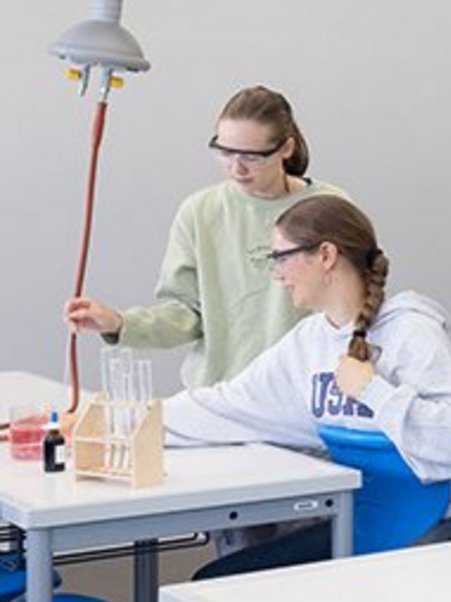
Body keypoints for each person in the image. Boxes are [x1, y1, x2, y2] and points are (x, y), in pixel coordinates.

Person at [164, 194, 451, 602]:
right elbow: (227, 405)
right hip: (372, 520)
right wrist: (120, 421)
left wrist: (373, 390)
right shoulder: (309, 342)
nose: (277, 275)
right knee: (217, 594)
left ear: (326, 255)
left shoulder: (410, 330)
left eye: (282, 258)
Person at [65, 86, 344, 388]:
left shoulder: (330, 208)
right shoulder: (200, 212)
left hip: (304, 393)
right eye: (225, 152)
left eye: (252, 156)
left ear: (286, 148)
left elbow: (355, 305)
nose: (236, 167)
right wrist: (119, 323)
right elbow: (187, 314)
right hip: (218, 395)